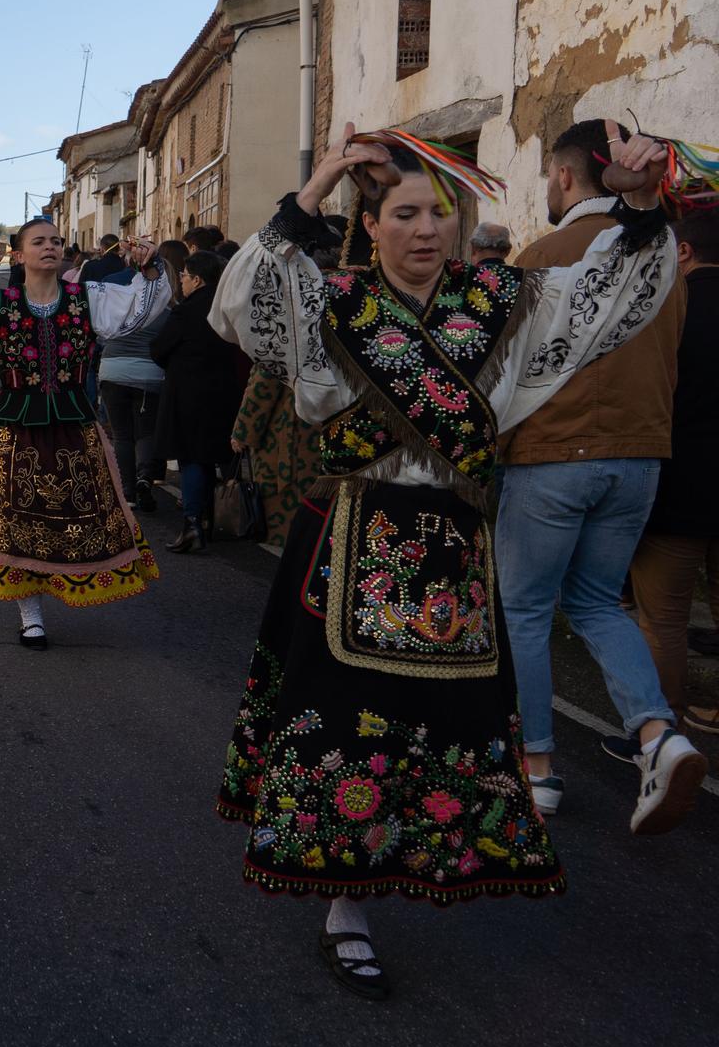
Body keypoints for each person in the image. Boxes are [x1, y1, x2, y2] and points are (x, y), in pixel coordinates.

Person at [210, 120, 679, 999]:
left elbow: (606, 296)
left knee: (443, 726)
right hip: (352, 539)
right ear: (374, 224)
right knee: (348, 722)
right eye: (406, 213)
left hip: (452, 548)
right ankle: (344, 908)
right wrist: (317, 184)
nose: (427, 228)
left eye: (441, 213)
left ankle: (420, 855)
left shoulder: (504, 304)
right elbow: (247, 301)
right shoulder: (336, 306)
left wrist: (643, 199)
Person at [495, 119, 697, 823]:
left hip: (554, 455)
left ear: (563, 175)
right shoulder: (665, 256)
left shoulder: (546, 252)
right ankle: (657, 733)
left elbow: (508, 370)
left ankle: (539, 767)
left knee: (522, 608)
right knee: (598, 603)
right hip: (640, 458)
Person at [0, 218, 168, 649]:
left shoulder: (88, 298)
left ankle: (68, 583)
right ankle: (30, 613)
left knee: (78, 510)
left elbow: (140, 308)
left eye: (56, 241)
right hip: (15, 424)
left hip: (74, 422)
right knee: (16, 517)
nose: (50, 247)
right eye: (38, 242)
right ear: (18, 255)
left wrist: (150, 268)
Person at [629, 207, 719, 734]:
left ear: (683, 251)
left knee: (663, 619)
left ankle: (664, 733)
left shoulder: (670, 306)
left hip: (680, 484)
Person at [149, 251, 243, 553]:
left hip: (189, 394)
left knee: (192, 457)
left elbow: (159, 348)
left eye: (185, 277)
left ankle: (193, 522)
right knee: (222, 455)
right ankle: (226, 518)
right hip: (229, 391)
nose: (182, 282)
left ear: (198, 279)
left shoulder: (187, 311)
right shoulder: (231, 306)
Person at [95, 243, 173, 514]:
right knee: (146, 433)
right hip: (149, 375)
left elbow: (102, 334)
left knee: (122, 435)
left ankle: (127, 492)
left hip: (113, 370)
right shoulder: (165, 309)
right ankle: (145, 479)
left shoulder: (119, 305)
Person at [229, 365, 312, 550]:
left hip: (288, 431)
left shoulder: (281, 338)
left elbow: (263, 385)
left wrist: (242, 432)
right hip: (321, 429)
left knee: (289, 511)